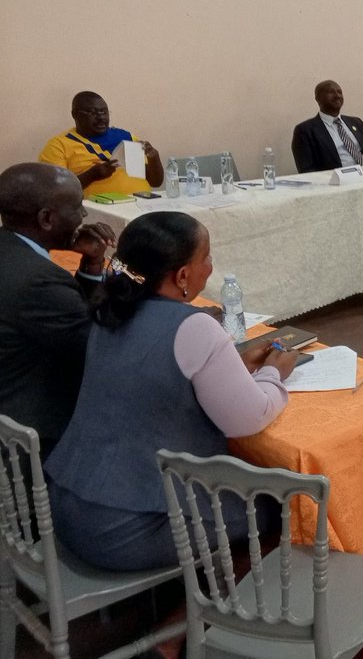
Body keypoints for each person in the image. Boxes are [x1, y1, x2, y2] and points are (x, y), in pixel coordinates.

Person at [44, 212, 298, 571]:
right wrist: (274, 372)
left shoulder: (110, 309)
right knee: (287, 504)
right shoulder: (193, 325)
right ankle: (211, 609)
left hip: (68, 503)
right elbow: (248, 419)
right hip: (126, 528)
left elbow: (154, 373)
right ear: (182, 275)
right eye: (206, 258)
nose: (210, 267)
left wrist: (233, 362)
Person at [0, 163, 115, 455]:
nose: (84, 216)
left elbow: (67, 317)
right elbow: (96, 347)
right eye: (77, 207)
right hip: (40, 434)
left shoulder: (10, 252)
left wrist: (91, 266)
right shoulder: (38, 279)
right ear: (47, 218)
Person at [39, 91, 164, 197]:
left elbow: (155, 182)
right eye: (93, 113)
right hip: (97, 214)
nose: (101, 118)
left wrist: (154, 159)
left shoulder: (126, 137)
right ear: (75, 114)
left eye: (104, 112)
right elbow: (55, 192)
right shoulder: (58, 145)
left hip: (141, 205)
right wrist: (91, 175)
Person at [291, 80, 363, 172]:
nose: (337, 96)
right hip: (338, 182)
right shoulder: (305, 130)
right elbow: (307, 171)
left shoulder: (356, 122)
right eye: (331, 92)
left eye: (339, 92)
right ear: (317, 98)